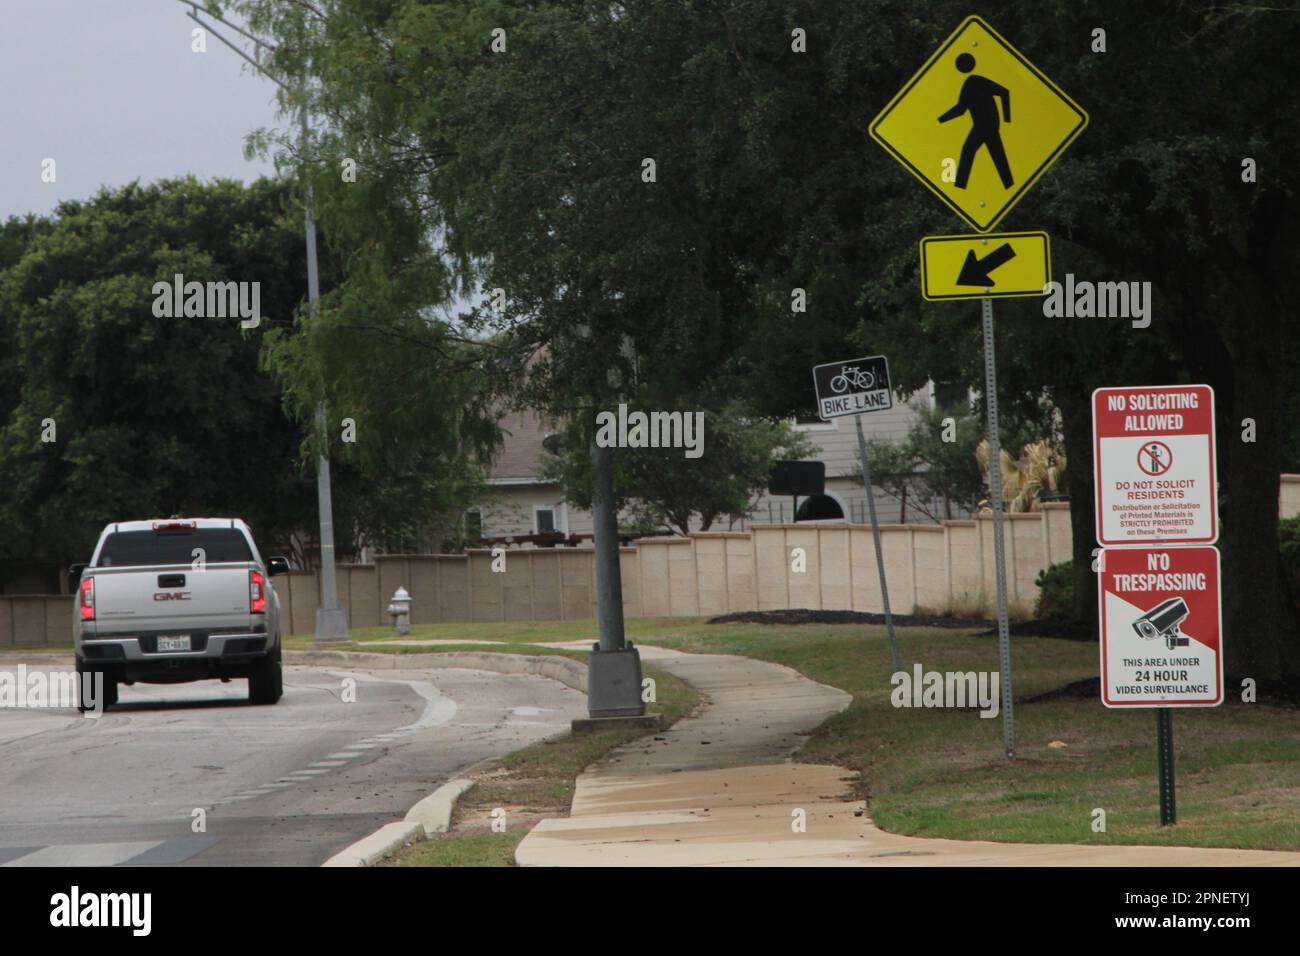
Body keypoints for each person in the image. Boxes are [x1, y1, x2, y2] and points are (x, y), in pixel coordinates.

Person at [938, 53, 1013, 190]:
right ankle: (1009, 185)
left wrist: (1007, 119)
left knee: (968, 150)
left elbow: (1004, 92)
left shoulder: (974, 81)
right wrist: (940, 120)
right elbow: (961, 109)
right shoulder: (972, 82)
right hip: (988, 124)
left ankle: (960, 186)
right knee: (997, 155)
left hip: (984, 125)